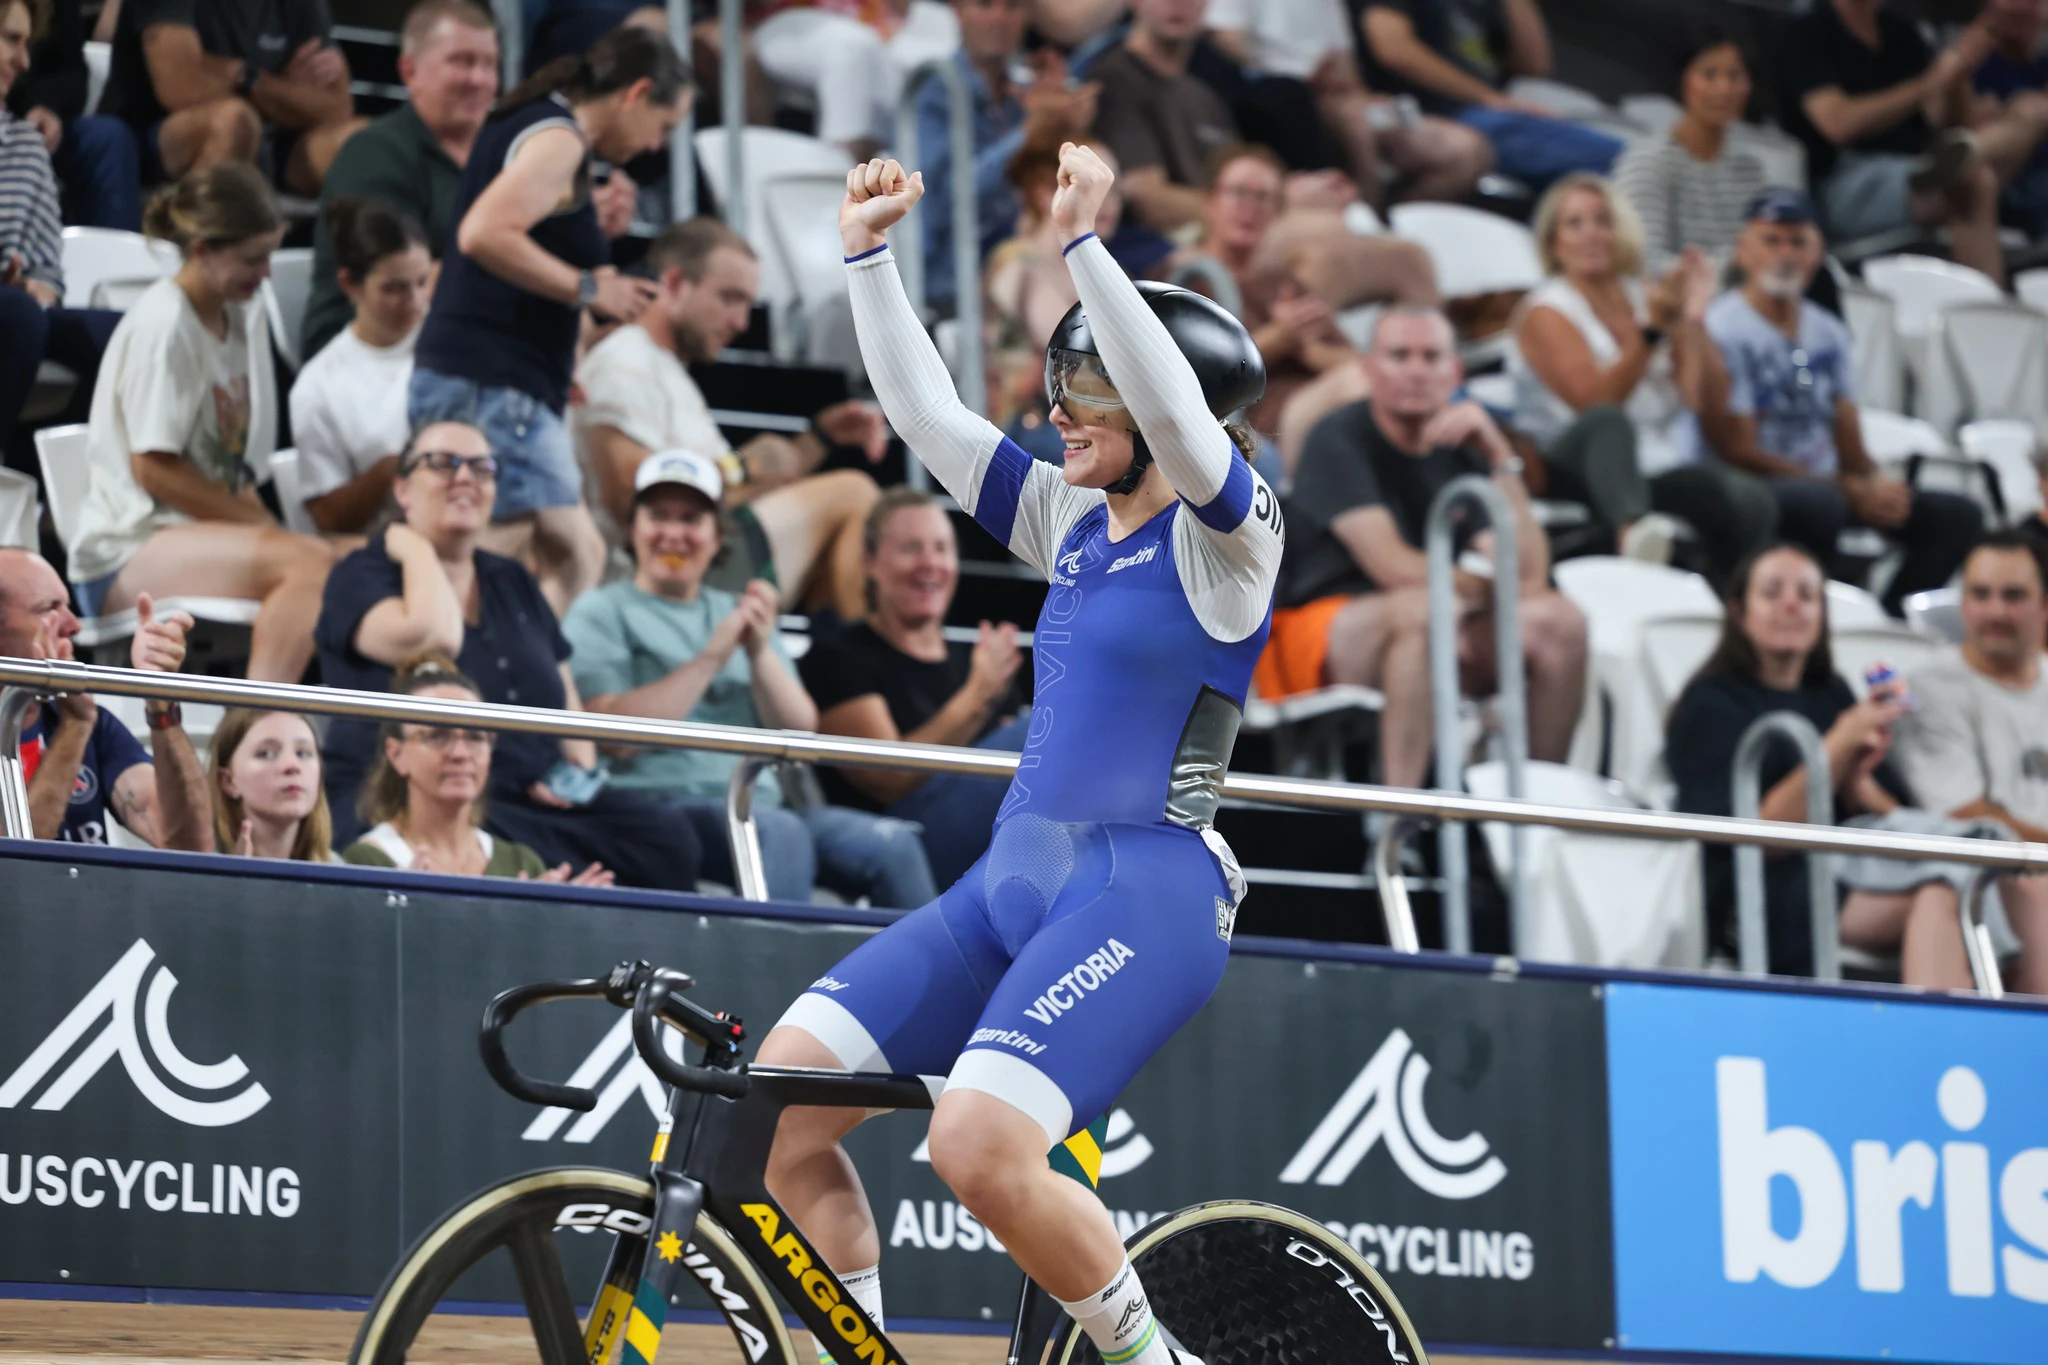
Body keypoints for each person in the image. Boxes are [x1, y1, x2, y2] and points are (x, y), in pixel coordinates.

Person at [756, 146, 1280, 1365]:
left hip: (1143, 891)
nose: (1058, 416)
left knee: (976, 1149)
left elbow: (1184, 424)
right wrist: (865, 257)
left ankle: (1156, 1363)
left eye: (1086, 394)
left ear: (1156, 414)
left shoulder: (1230, 544)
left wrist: (1087, 248)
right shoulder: (1072, 524)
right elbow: (928, 417)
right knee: (777, 1113)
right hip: (1008, 885)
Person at [314, 419, 705, 892]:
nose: (464, 478)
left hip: (529, 798)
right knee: (482, 841)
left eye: (482, 468)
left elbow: (566, 700)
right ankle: (541, 892)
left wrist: (573, 780)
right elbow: (435, 637)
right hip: (412, 796)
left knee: (668, 841)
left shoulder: (511, 579)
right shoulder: (362, 574)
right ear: (402, 489)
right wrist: (413, 546)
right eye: (442, 464)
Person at [564, 450, 938, 908]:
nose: (674, 534)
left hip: (763, 804)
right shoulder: (602, 610)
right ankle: (781, 979)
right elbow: (612, 736)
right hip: (659, 806)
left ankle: (942, 982)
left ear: (717, 535)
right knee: (781, 835)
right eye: (658, 515)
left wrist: (760, 652)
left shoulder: (739, 610)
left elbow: (800, 733)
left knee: (895, 845)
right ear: (633, 527)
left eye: (692, 519)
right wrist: (711, 659)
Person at [1666, 540, 2048, 989]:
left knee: (2009, 879)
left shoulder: (1831, 692)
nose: (1791, 605)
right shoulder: (1712, 702)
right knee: (1949, 887)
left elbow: (1886, 813)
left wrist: (1862, 782)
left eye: (1806, 595)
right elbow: (1756, 835)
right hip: (1763, 890)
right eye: (1773, 593)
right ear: (1738, 612)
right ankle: (1945, 1051)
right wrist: (1839, 742)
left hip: (1851, 865)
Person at [410, 24, 691, 614]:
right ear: (636, 93)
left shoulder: (540, 125)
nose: (659, 146)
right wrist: (590, 286)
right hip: (492, 387)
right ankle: (472, 687)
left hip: (496, 382)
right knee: (509, 558)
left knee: (567, 556)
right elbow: (483, 233)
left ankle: (505, 680)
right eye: (664, 126)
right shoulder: (560, 139)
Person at [1258, 306, 1587, 790]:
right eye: (1399, 356)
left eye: (1431, 357)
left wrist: (1500, 457)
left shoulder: (1463, 444)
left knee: (1560, 623)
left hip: (1436, 618)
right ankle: (1399, 823)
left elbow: (1530, 578)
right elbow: (1392, 566)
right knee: (1426, 609)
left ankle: (1537, 814)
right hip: (1317, 629)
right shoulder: (1338, 437)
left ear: (1454, 373)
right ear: (1369, 370)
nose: (1416, 370)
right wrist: (1484, 587)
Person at [72, 166, 337, 684]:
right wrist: (265, 531)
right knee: (310, 565)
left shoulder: (244, 309)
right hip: (125, 548)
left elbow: (233, 470)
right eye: (252, 259)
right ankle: (260, 726)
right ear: (201, 250)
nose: (266, 275)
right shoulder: (164, 325)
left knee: (355, 561)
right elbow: (156, 472)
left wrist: (270, 528)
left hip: (197, 532)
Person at [1690, 188, 1984, 615]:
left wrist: (1873, 483)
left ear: (1818, 251)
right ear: (1743, 250)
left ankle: (1888, 621)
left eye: (1798, 242)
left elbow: (1846, 430)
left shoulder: (1828, 331)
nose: (1785, 255)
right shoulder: (1724, 327)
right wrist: (1842, 487)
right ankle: (1815, 625)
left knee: (1957, 515)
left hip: (1826, 484)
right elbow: (1737, 450)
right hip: (1749, 484)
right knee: (1819, 505)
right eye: (1771, 240)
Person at [575, 217, 885, 621]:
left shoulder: (664, 370)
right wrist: (740, 467)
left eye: (745, 303)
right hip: (655, 583)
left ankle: (839, 668)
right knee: (854, 493)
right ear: (674, 284)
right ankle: (865, 665)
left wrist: (820, 438)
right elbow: (630, 497)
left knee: (848, 536)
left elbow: (745, 484)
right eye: (729, 298)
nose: (740, 322)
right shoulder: (625, 360)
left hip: (703, 561)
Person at [799, 487, 1029, 888]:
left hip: (997, 838)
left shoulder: (974, 662)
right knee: (1037, 732)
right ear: (870, 562)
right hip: (900, 838)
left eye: (941, 549)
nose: (930, 564)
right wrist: (976, 698)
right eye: (910, 549)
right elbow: (885, 777)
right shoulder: (838, 654)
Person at [1510, 174, 1727, 570]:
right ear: (1553, 242)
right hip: (1568, 460)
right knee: (1609, 423)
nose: (1592, 234)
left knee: (1742, 499)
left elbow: (1696, 399)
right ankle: (1633, 533)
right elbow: (1594, 402)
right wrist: (1650, 334)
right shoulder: (1545, 308)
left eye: (1602, 221)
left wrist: (1691, 318)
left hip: (1654, 460)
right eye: (1575, 224)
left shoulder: (1645, 295)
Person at [302, 0, 500, 361]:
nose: (479, 80)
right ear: (409, 71)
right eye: (462, 61)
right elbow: (398, 289)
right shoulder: (374, 153)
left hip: (456, 340)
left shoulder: (496, 157)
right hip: (364, 354)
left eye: (489, 65)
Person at [1895, 536, 2048, 957]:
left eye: (2014, 596)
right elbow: (1966, 817)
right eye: (1981, 595)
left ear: (2044, 607)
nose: (1996, 611)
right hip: (1992, 873)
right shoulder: (1928, 690)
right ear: (1963, 604)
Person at [0, 549, 212, 851]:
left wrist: (160, 702)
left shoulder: (95, 726)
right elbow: (12, 872)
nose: (74, 625)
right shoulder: (79, 721)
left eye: (68, 607)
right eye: (50, 608)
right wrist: (76, 727)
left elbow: (189, 846)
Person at [341, 653, 617, 884]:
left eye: (475, 737)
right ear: (396, 754)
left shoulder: (521, 862)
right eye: (438, 736)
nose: (460, 754)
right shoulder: (369, 862)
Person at [1779, 0, 2003, 284]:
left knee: (1978, 180)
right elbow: (1837, 123)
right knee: (1969, 179)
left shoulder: (1903, 33)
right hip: (1843, 184)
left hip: (1916, 165)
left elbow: (1948, 122)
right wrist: (1930, 82)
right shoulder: (1807, 31)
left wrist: (1958, 72)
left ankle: (1989, 308)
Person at [1203, 0, 1491, 205]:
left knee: (1469, 151)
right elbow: (1229, 46)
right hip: (1283, 98)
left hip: (1339, 99)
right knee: (1357, 126)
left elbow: (1347, 70)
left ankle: (1401, 216)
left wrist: (1368, 98)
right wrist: (1300, 80)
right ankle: (1363, 219)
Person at [0, 0, 123, 470]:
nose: (25, 62)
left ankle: (50, 486)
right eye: (12, 41)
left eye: (28, 44)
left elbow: (48, 267)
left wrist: (39, 288)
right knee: (17, 314)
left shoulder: (26, 148)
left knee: (120, 333)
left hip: (16, 312)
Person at [911, 0, 1097, 307]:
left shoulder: (1022, 94)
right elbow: (944, 199)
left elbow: (1046, 190)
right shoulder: (931, 92)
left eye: (1012, 6)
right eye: (985, 5)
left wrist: (1065, 126)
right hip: (955, 276)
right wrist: (1031, 131)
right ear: (958, 11)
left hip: (1030, 252)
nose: (999, 18)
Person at [100, 0, 365, 195]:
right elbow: (181, 88)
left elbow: (338, 107)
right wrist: (280, 87)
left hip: (276, 142)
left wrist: (248, 78)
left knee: (361, 141)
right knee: (232, 120)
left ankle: (345, 267)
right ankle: (199, 259)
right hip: (156, 136)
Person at [1357, 0, 1622, 190]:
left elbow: (1535, 64)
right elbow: (1393, 48)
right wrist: (1488, 98)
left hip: (1489, 112)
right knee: (1625, 164)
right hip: (1437, 111)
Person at [289, 197, 432, 539]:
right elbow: (329, 519)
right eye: (394, 289)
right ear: (350, 285)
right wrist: (387, 471)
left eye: (422, 282)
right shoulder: (320, 386)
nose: (414, 301)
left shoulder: (452, 340)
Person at [1609, 22, 1767, 273]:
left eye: (1735, 76)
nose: (1724, 88)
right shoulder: (1647, 161)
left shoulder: (1749, 169)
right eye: (1709, 75)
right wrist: (1732, 266)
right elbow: (1640, 262)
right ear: (1683, 80)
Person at [750, 0, 962, 162]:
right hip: (787, 16)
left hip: (875, 18)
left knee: (946, 53)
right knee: (851, 49)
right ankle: (843, 184)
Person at [5, 0, 141, 229]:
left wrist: (46, 106)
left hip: (30, 122)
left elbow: (73, 70)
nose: (23, 62)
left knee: (108, 138)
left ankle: (115, 260)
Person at [209, 708, 337, 862]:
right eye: (267, 754)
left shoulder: (339, 871)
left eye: (303, 753)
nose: (292, 765)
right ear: (228, 781)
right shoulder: (197, 869)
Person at [1971, 0, 2048, 240]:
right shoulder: (1974, 59)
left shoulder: (2040, 64)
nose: (2038, 13)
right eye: (2028, 4)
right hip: (2010, 185)